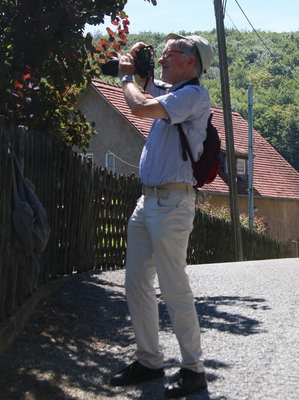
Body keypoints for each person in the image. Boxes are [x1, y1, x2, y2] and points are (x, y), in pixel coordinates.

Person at [108, 34, 215, 398]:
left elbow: (139, 106)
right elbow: (148, 88)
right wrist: (139, 70)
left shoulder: (193, 96)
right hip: (147, 202)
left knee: (173, 288)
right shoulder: (170, 93)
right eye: (164, 52)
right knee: (136, 283)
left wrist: (126, 79)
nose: (165, 57)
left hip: (172, 203)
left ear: (192, 62)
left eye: (172, 53)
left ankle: (193, 370)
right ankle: (149, 361)